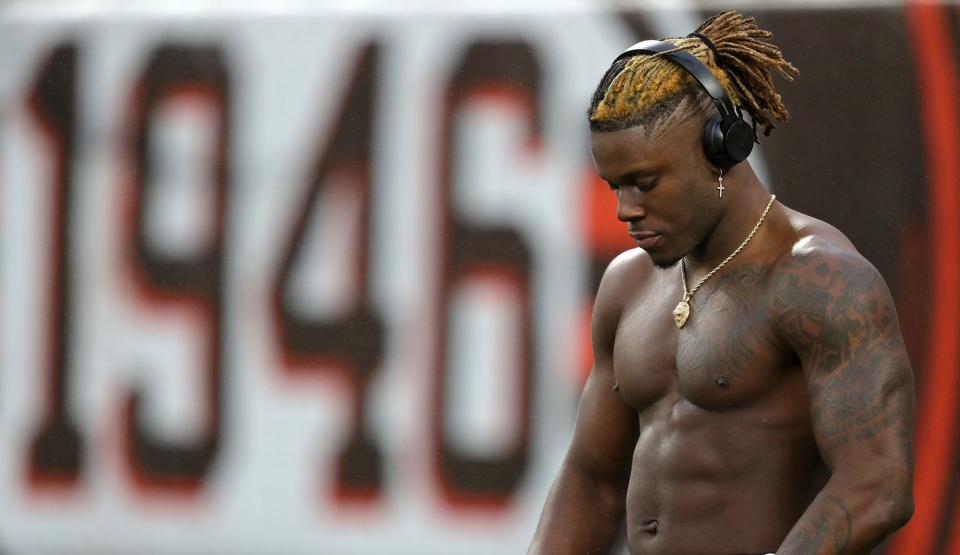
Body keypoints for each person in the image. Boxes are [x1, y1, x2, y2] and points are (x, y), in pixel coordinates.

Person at [529, 11, 915, 555]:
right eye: (615, 186)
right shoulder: (628, 285)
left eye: (643, 183)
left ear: (722, 150)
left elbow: (877, 485)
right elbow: (592, 481)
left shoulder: (821, 281)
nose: (624, 210)